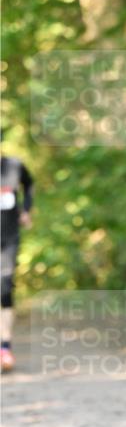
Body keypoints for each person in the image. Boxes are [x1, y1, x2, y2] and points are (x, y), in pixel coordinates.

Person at [1, 151, 33, 372]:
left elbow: (29, 185)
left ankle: (5, 347)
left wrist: (27, 210)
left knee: (4, 288)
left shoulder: (14, 166)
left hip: (9, 238)